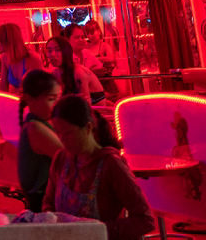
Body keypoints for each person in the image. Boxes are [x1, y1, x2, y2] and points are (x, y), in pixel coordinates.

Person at [44, 95, 155, 240]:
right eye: (58, 133)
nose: (62, 140)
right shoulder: (61, 159)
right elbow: (48, 204)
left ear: (88, 128)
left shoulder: (111, 164)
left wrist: (97, 231)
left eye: (68, 133)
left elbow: (145, 220)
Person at [17, 70, 62, 212]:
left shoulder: (44, 123)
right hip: (43, 203)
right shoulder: (34, 127)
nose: (57, 104)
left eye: (58, 98)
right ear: (30, 99)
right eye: (51, 99)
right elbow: (68, 155)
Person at [46, 35, 100, 103]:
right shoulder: (55, 73)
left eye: (58, 50)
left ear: (66, 52)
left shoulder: (78, 72)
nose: (52, 54)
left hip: (96, 108)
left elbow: (86, 104)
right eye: (49, 51)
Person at [0, 23, 42, 93]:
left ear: (8, 41)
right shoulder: (5, 58)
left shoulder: (33, 58)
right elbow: (3, 88)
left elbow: (40, 87)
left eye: (0, 40)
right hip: (16, 98)